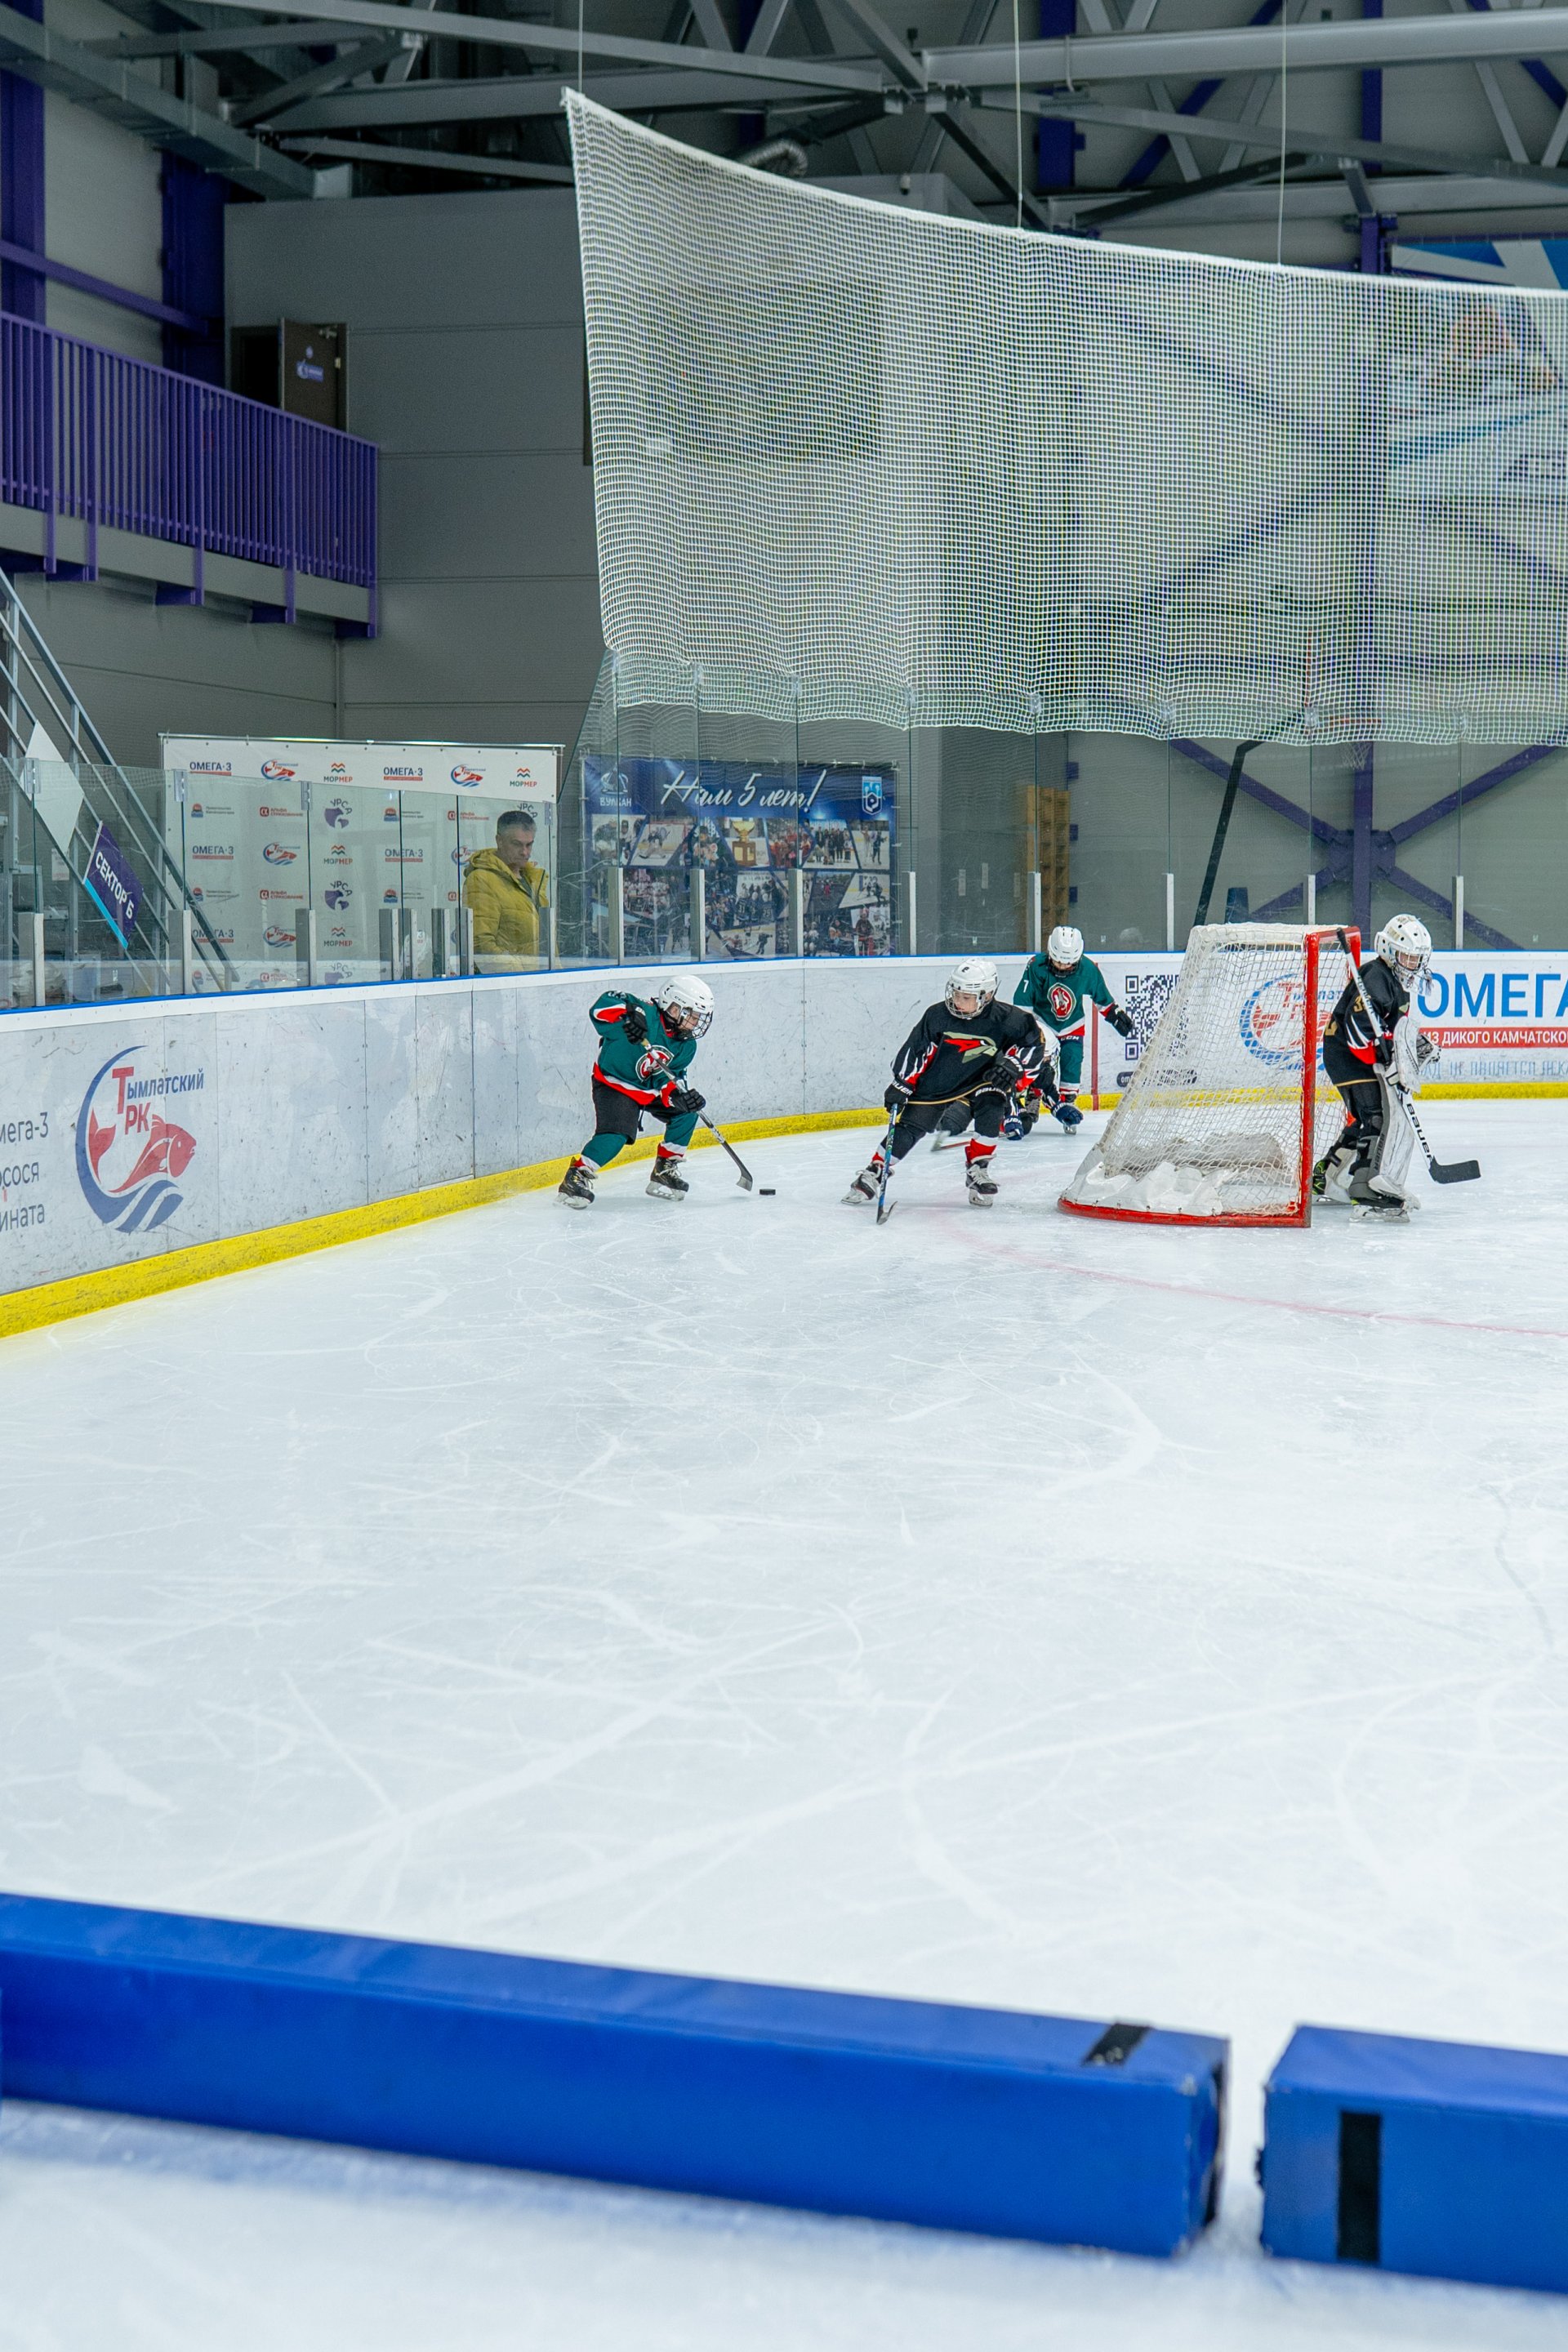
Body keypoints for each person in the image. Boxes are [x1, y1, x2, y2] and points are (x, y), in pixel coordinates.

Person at [844, 958, 1046, 1209]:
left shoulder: (1009, 1019)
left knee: (992, 1106)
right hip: (939, 1081)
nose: (957, 1001)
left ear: (987, 995)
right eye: (956, 994)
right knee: (910, 1127)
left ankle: (978, 1168)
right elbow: (917, 1050)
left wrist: (1014, 1064)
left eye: (966, 997)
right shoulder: (937, 1015)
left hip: (982, 1080)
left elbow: (1034, 1043)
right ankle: (876, 1170)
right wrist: (902, 1084)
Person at [558, 971, 715, 1209]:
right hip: (615, 1083)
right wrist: (627, 1015)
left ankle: (664, 1169)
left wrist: (678, 1096)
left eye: (698, 1018)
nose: (695, 1023)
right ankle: (577, 1175)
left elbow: (669, 1078)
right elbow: (600, 1008)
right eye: (691, 1016)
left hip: (649, 1090)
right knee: (616, 1135)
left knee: (687, 1114)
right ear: (674, 1008)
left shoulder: (687, 1046)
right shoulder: (644, 1013)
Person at [1313, 915, 1436, 1221]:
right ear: (1389, 951)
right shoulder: (1376, 977)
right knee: (1377, 1117)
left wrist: (1412, 1046)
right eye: (1407, 957)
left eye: (1417, 959)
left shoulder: (1398, 985)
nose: (1413, 964)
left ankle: (1326, 1176)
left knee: (1369, 1118)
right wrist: (1382, 1061)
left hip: (1356, 1056)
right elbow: (1357, 1031)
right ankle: (1365, 1188)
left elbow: (1390, 1028)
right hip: (1347, 1055)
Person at [1013, 925, 1134, 1131]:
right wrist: (1026, 1029)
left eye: (1067, 962)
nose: (1062, 966)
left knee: (1072, 1060)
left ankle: (1068, 1102)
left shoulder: (1088, 969)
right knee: (1040, 1063)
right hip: (1043, 1023)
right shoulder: (1036, 966)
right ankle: (1034, 1094)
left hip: (1072, 1025)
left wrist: (1115, 1015)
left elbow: (1101, 996)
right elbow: (1023, 1002)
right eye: (1058, 961)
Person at [463, 810, 550, 969]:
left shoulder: (533, 879)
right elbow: (481, 944)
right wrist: (519, 976)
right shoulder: (482, 879)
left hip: (539, 979)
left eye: (529, 845)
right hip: (512, 981)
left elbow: (545, 942)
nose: (525, 852)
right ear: (500, 841)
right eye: (517, 844)